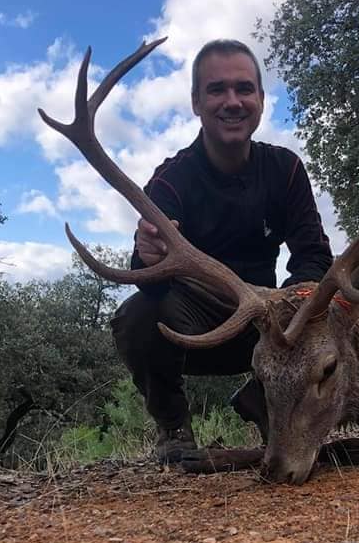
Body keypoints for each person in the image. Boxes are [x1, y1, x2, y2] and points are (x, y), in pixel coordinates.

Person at [111, 39, 333, 461]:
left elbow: (314, 257)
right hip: (196, 327)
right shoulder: (170, 180)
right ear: (196, 102)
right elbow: (149, 280)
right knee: (136, 317)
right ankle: (173, 428)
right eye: (217, 90)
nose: (232, 101)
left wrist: (295, 305)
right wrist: (148, 258)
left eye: (244, 89)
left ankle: (265, 401)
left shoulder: (284, 169)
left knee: (328, 305)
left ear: (261, 100)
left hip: (266, 323)